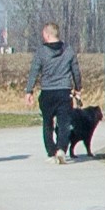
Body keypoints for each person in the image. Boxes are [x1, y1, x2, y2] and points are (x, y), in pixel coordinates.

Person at [33, 23, 80, 162]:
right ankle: (61, 149)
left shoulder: (41, 51)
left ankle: (51, 152)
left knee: (47, 123)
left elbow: (34, 71)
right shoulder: (69, 50)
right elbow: (76, 71)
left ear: (47, 35)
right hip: (64, 91)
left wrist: (29, 91)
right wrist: (78, 88)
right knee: (64, 123)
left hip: (47, 92)